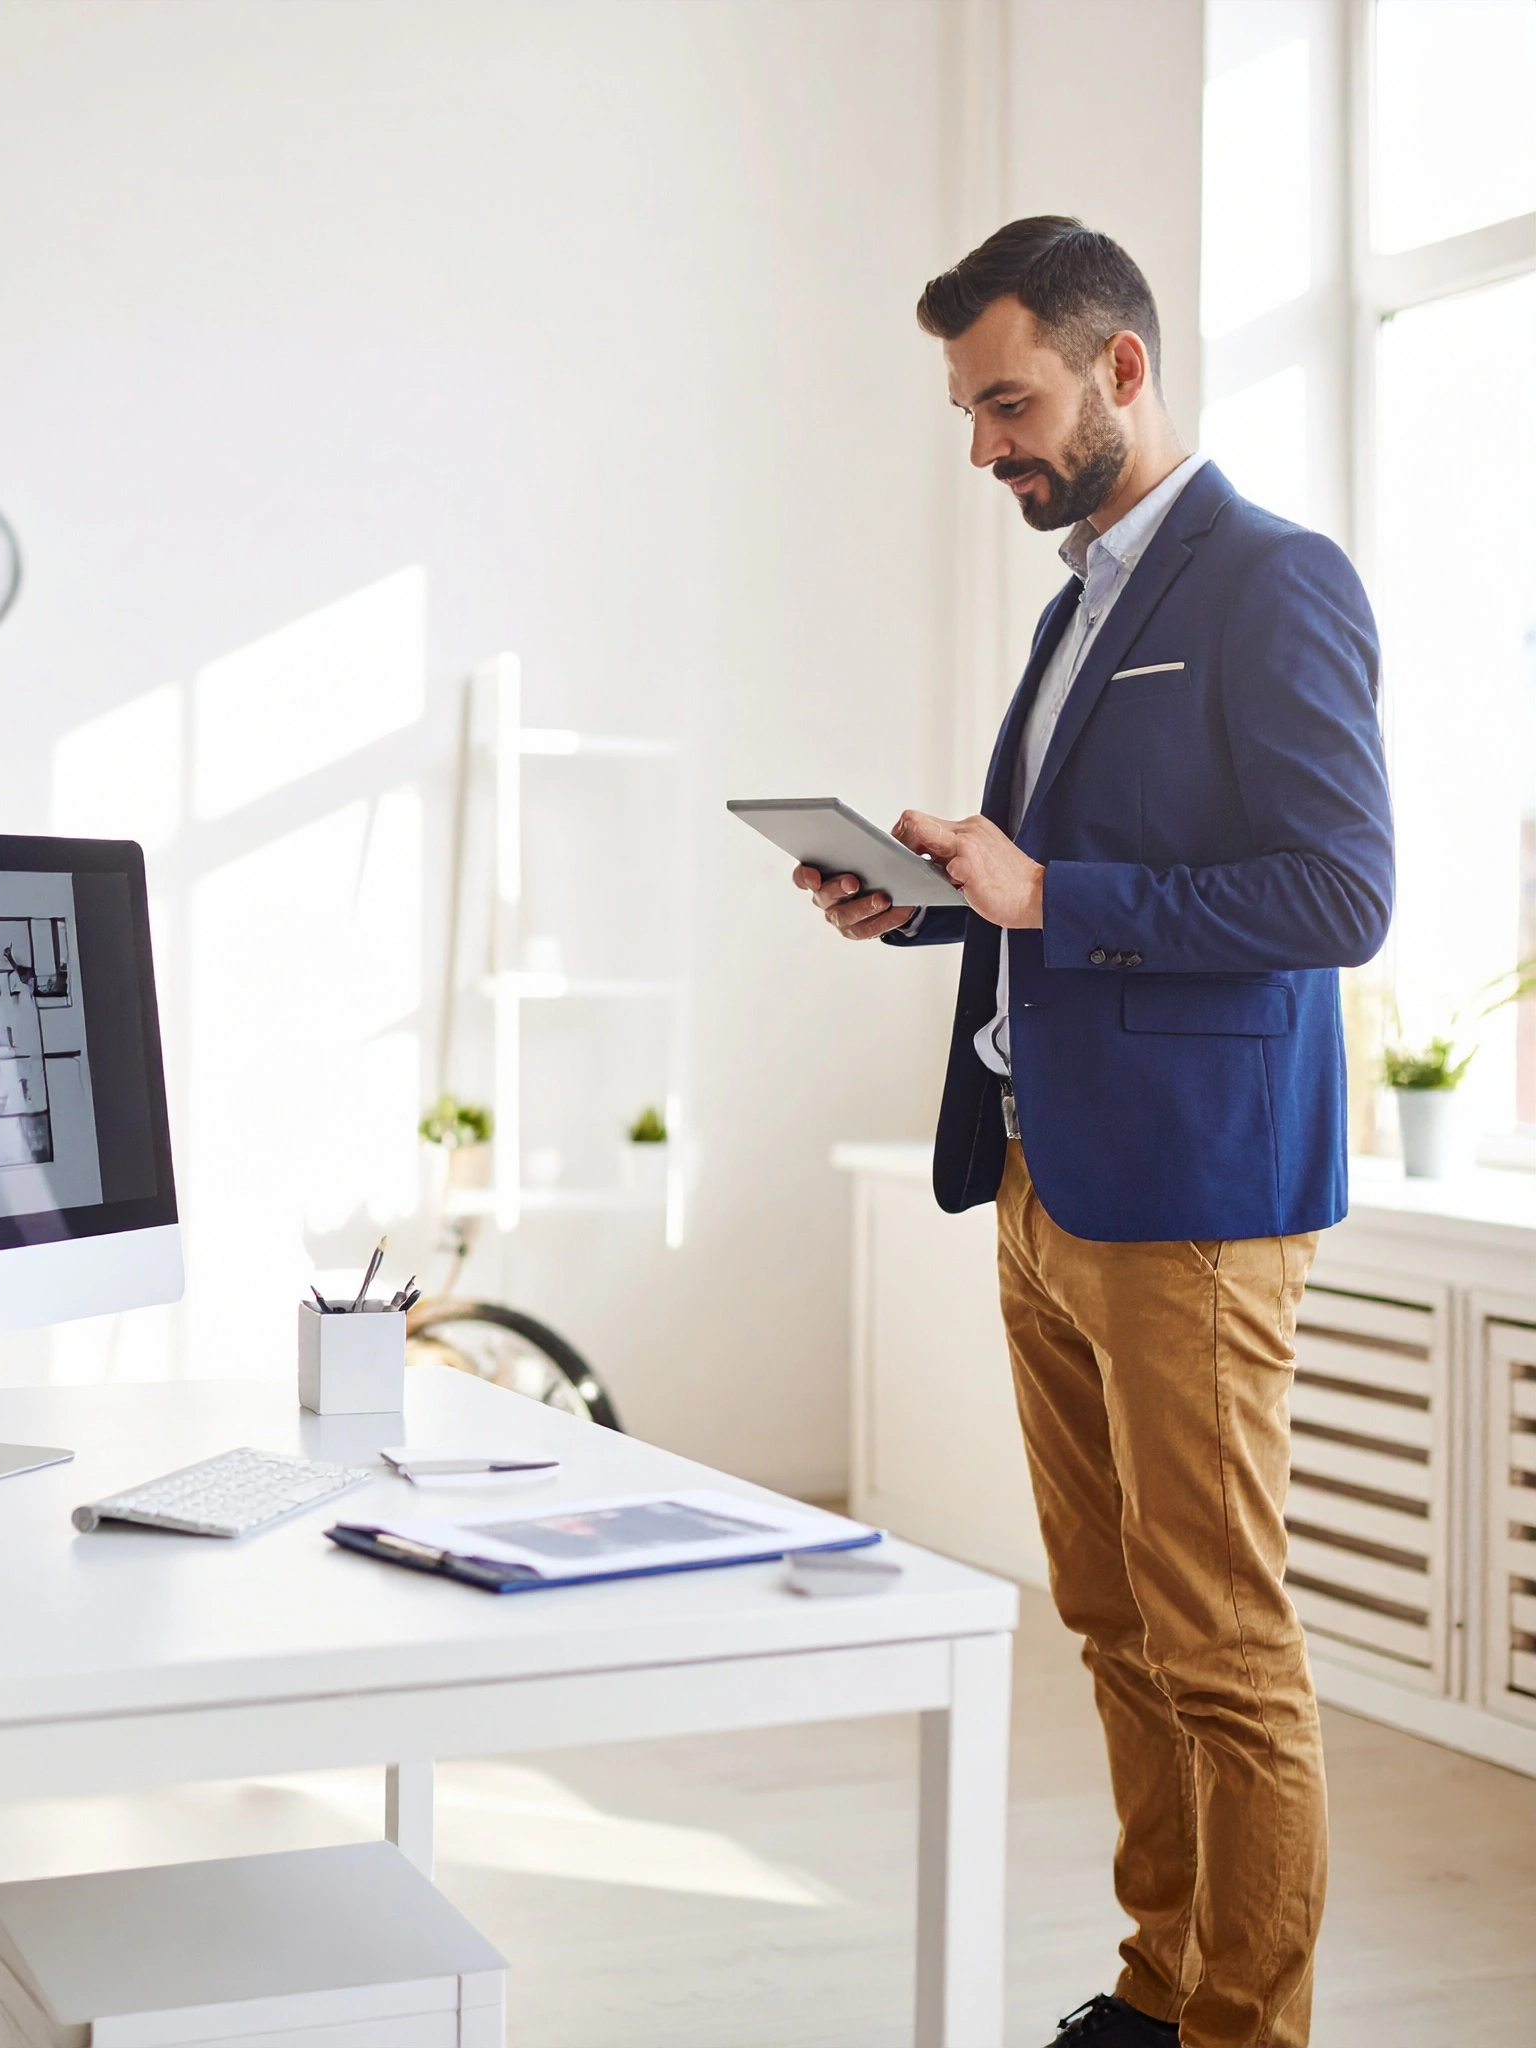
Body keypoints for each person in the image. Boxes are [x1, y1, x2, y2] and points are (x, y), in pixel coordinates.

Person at [794, 218, 1394, 2048]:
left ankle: (1247, 2027)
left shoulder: (1273, 581)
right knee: (1117, 1625)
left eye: (1010, 401)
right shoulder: (1078, 607)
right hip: (1044, 1176)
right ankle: (1160, 1989)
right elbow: (1064, 896)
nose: (987, 447)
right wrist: (933, 901)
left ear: (1121, 367)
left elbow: (1337, 894)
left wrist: (1046, 889)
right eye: (971, 412)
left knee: (1219, 1638)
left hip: (1194, 1201)